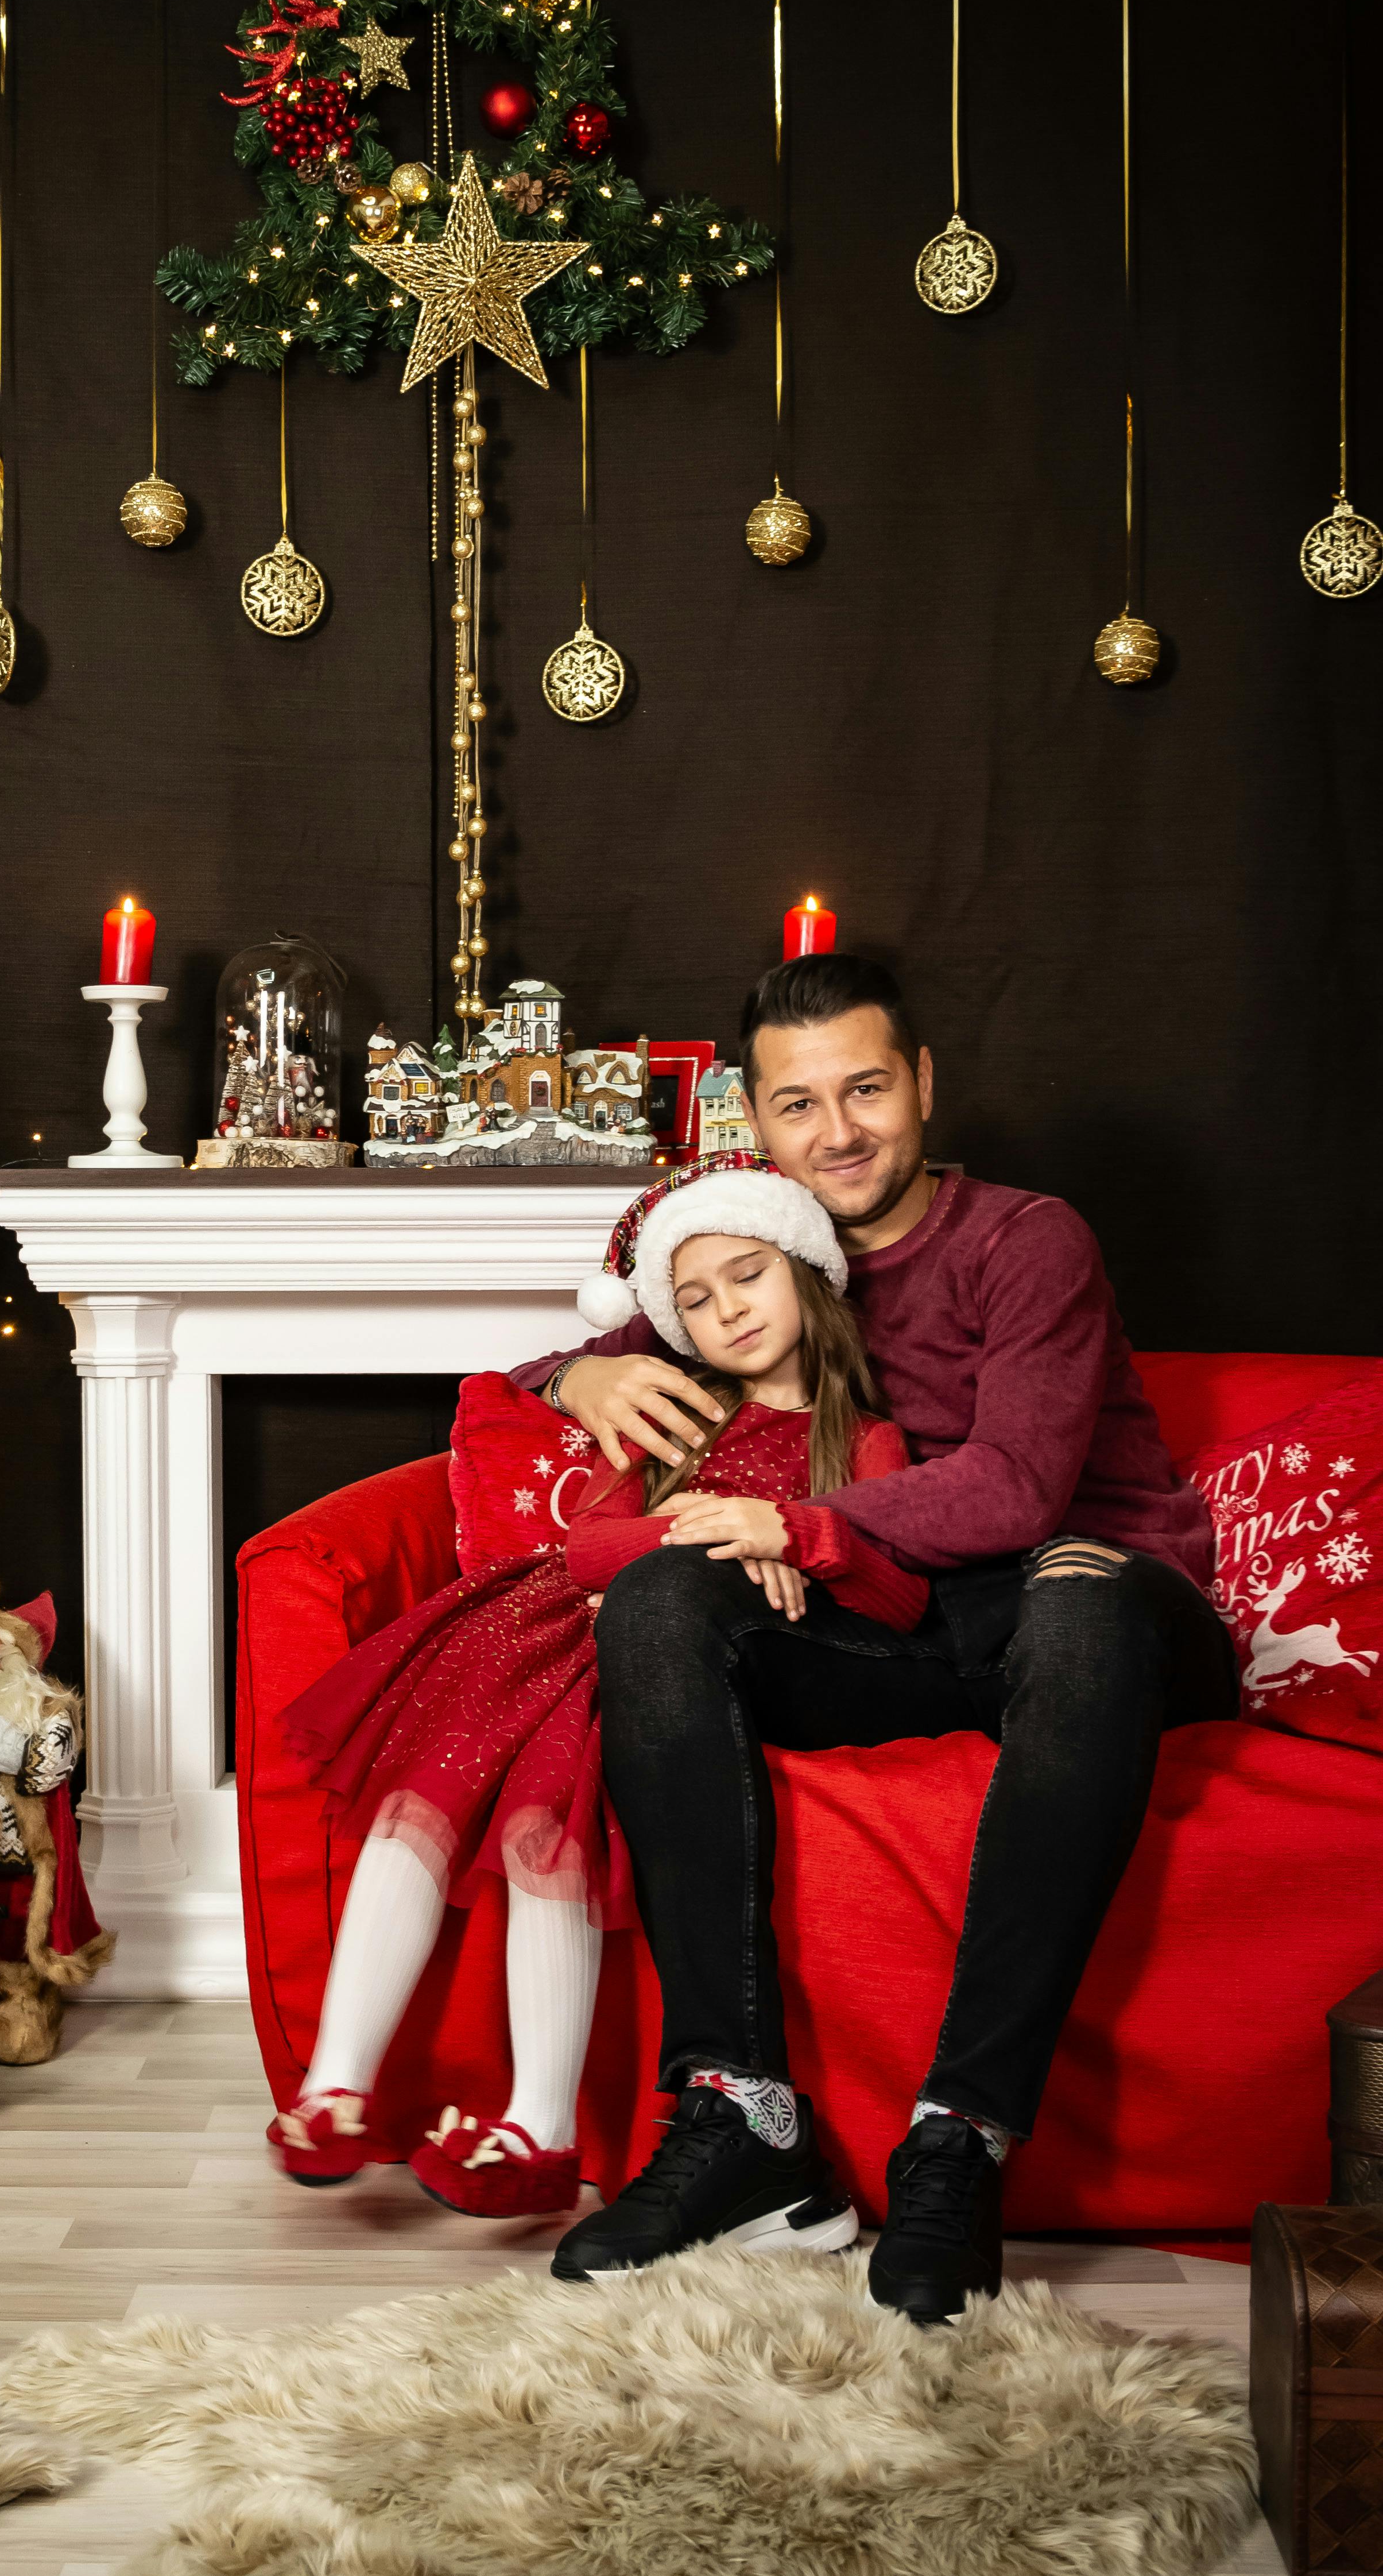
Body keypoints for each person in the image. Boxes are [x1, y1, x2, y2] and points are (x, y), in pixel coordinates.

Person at [520, 951, 1237, 2324]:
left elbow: (1015, 1490)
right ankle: (740, 2115)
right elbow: (583, 1361)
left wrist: (796, 1527)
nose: (836, 1132)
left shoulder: (1025, 1239)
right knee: (665, 1595)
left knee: (1075, 1593)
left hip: (1100, 1609)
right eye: (798, 1106)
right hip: (912, 1633)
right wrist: (579, 1367)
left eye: (864, 1089)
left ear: (920, 1083)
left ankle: (959, 2137)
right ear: (754, 1123)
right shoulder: (767, 1257)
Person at [268, 1165, 928, 2221]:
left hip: (642, 1667)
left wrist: (796, 1542)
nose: (728, 1313)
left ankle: (539, 2126)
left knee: (549, 1830)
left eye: (747, 1276)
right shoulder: (684, 1416)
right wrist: (694, 1518)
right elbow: (588, 1546)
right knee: (414, 1812)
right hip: (529, 1637)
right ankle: (333, 2088)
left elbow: (898, 1597)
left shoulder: (861, 1442)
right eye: (697, 1302)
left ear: (808, 1273)